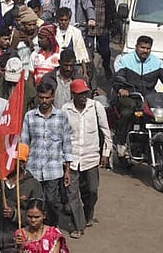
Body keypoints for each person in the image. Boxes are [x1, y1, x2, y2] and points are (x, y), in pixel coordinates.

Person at [61, 79, 112, 237]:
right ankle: (78, 226)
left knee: (91, 191)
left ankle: (88, 213)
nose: (83, 97)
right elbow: (61, 136)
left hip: (91, 158)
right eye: (80, 94)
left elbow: (106, 131)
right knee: (72, 194)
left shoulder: (95, 107)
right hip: (71, 159)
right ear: (73, 94)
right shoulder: (65, 109)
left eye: (85, 93)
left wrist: (106, 153)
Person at [112, 35, 163, 151]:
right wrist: (121, 89)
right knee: (128, 112)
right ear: (136, 47)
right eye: (142, 47)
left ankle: (157, 137)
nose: (145, 51)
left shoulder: (156, 62)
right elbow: (118, 77)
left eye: (148, 48)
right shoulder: (126, 60)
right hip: (130, 94)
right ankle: (121, 142)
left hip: (149, 96)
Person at [20, 82, 72, 228]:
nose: (44, 101)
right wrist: (22, 164)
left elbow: (67, 143)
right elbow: (24, 143)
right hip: (33, 169)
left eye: (47, 98)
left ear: (53, 97)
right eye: (41, 98)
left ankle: (51, 231)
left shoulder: (62, 117)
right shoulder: (30, 117)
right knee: (35, 203)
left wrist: (68, 169)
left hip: (53, 170)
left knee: (52, 203)